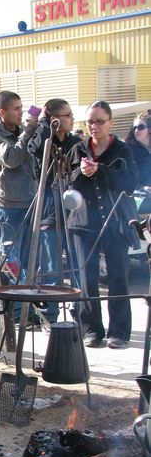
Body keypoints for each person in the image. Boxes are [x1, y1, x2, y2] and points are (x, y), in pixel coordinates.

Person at [68, 100, 139, 349]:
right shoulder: (78, 148)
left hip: (114, 222)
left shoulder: (122, 149)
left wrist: (100, 170)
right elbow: (67, 182)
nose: (94, 126)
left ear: (110, 122)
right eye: (90, 122)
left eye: (99, 121)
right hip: (83, 221)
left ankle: (119, 331)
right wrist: (82, 172)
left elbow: (130, 183)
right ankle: (91, 329)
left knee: (118, 276)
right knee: (86, 279)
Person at [28, 98, 82, 327]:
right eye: (67, 115)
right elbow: (37, 149)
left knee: (77, 263)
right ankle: (50, 316)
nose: (72, 118)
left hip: (73, 211)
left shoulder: (75, 143)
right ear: (56, 120)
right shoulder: (42, 141)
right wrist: (44, 125)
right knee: (51, 267)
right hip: (50, 211)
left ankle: (82, 311)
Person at [0, 90, 38, 321]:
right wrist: (27, 133)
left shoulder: (20, 131)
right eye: (16, 109)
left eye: (22, 107)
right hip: (8, 207)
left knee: (30, 261)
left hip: (29, 203)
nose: (21, 112)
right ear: (2, 112)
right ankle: (17, 313)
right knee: (12, 262)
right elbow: (12, 158)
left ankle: (31, 310)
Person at [125, 112, 151, 213]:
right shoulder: (128, 149)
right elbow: (126, 175)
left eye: (140, 127)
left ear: (149, 129)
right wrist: (142, 188)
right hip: (138, 198)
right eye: (134, 128)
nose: (136, 130)